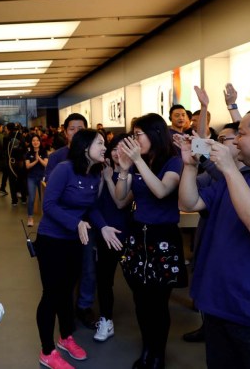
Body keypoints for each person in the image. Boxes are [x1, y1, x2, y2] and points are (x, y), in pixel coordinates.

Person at [178, 105, 250, 369]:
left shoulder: (236, 176)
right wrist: (189, 166)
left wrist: (229, 168)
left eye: (241, 133)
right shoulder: (238, 178)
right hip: (218, 305)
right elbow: (189, 202)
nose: (236, 140)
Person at [35, 129, 120, 369]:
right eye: (101, 143)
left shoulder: (95, 173)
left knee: (66, 292)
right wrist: (76, 222)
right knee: (52, 294)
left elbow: (91, 207)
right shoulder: (64, 169)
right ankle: (47, 351)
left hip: (75, 240)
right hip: (51, 240)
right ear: (85, 148)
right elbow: (48, 204)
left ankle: (65, 337)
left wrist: (102, 227)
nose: (105, 147)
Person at [115, 113, 186, 369]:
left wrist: (136, 162)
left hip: (162, 239)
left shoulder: (174, 162)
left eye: (138, 135)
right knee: (141, 301)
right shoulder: (139, 163)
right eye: (133, 135)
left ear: (154, 134)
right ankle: (147, 349)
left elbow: (161, 190)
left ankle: (158, 355)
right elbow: (121, 201)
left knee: (158, 303)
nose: (134, 140)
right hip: (138, 237)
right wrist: (123, 171)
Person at [94, 133, 133, 343]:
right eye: (115, 148)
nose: (119, 153)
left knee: (133, 279)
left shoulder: (135, 172)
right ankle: (106, 319)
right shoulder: (101, 171)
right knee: (104, 280)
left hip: (127, 237)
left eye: (124, 148)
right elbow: (95, 202)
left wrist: (110, 178)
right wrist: (103, 176)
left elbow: (121, 202)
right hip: (105, 236)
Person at [24, 134, 48, 227]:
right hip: (31, 178)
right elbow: (27, 166)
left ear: (40, 142)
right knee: (31, 198)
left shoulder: (44, 151)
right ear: (31, 142)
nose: (35, 142)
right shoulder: (28, 153)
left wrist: (39, 158)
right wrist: (36, 161)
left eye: (37, 140)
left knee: (44, 199)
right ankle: (30, 218)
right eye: (33, 140)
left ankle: (45, 218)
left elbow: (46, 164)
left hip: (42, 178)